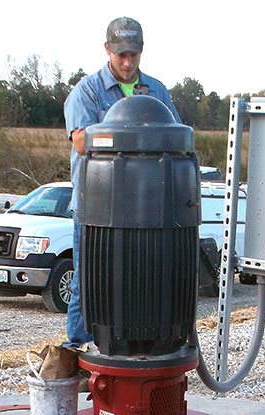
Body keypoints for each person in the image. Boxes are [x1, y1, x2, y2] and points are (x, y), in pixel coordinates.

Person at [62, 16, 181, 347]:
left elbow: (175, 137)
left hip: (146, 208)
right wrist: (129, 130)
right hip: (96, 206)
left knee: (142, 278)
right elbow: (82, 141)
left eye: (134, 55)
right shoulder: (87, 92)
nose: (128, 63)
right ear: (107, 50)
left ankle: (134, 343)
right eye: (121, 56)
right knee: (89, 279)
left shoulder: (157, 91)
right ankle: (81, 349)